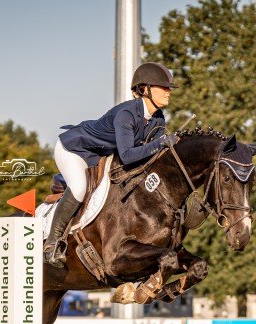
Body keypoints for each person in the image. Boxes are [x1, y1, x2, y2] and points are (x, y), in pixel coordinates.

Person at [44, 62, 179, 267]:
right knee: (80, 188)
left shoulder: (158, 118)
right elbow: (127, 156)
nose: (169, 91)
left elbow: (151, 157)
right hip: (74, 149)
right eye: (164, 87)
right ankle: (52, 244)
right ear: (145, 90)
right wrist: (159, 144)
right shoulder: (126, 114)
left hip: (101, 154)